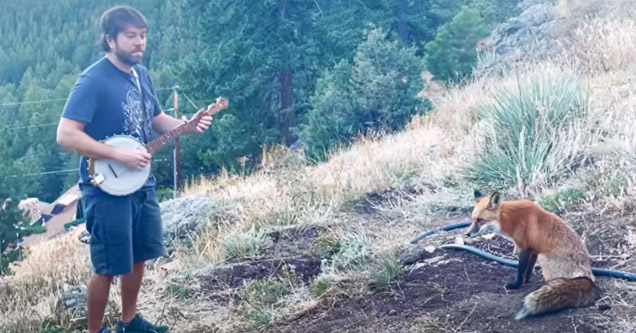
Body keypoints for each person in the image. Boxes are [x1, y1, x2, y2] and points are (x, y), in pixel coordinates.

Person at [56, 6, 212, 333]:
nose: (140, 42)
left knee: (140, 255)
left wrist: (188, 125)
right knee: (107, 267)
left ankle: (129, 323)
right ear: (110, 39)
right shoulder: (93, 80)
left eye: (142, 36)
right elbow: (66, 134)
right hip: (105, 189)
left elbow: (156, 120)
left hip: (141, 183)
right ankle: (94, 331)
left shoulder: (141, 74)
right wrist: (118, 155)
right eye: (131, 36)